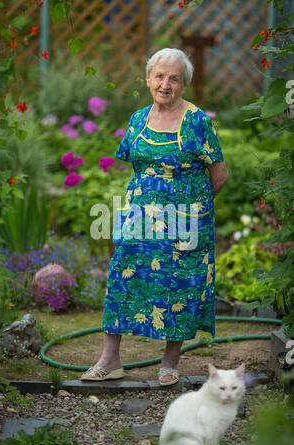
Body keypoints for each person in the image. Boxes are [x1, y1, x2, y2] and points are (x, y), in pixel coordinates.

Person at [80, 48, 229, 386]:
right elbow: (135, 165)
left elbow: (219, 175)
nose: (165, 84)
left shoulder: (197, 121)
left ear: (184, 84)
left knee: (180, 287)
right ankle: (110, 359)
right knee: (122, 278)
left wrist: (191, 212)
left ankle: (169, 361)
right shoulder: (137, 119)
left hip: (184, 222)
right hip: (139, 218)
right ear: (148, 79)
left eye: (174, 78)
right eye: (159, 76)